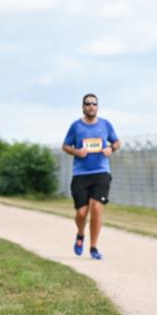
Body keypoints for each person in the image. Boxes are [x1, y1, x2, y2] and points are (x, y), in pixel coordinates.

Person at [62, 93, 120, 260]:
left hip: (101, 172)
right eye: (87, 104)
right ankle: (80, 234)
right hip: (81, 173)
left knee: (96, 208)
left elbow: (116, 142)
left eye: (94, 104)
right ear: (83, 107)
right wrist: (76, 151)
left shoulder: (105, 125)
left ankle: (94, 247)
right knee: (81, 213)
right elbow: (65, 146)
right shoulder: (76, 126)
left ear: (97, 106)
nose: (91, 106)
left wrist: (111, 149)